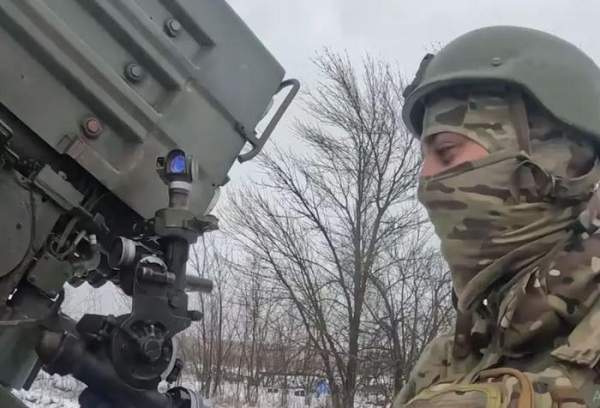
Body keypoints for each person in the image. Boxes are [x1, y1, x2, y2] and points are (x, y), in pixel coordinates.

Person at [394, 26, 600, 407]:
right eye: (424, 158)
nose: (425, 180)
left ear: (549, 161)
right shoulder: (455, 354)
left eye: (446, 152)